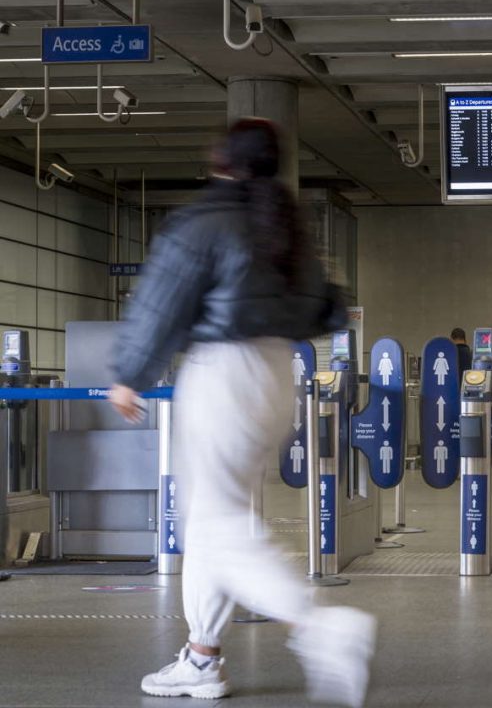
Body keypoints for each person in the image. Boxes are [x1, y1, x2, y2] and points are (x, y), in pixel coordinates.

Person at [108, 119, 375, 706]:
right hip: (281, 372)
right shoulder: (287, 225)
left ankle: (319, 626)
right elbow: (328, 308)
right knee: (212, 521)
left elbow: (161, 300)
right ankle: (202, 656)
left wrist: (129, 374)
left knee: (220, 526)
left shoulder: (203, 220)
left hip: (222, 375)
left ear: (220, 159)